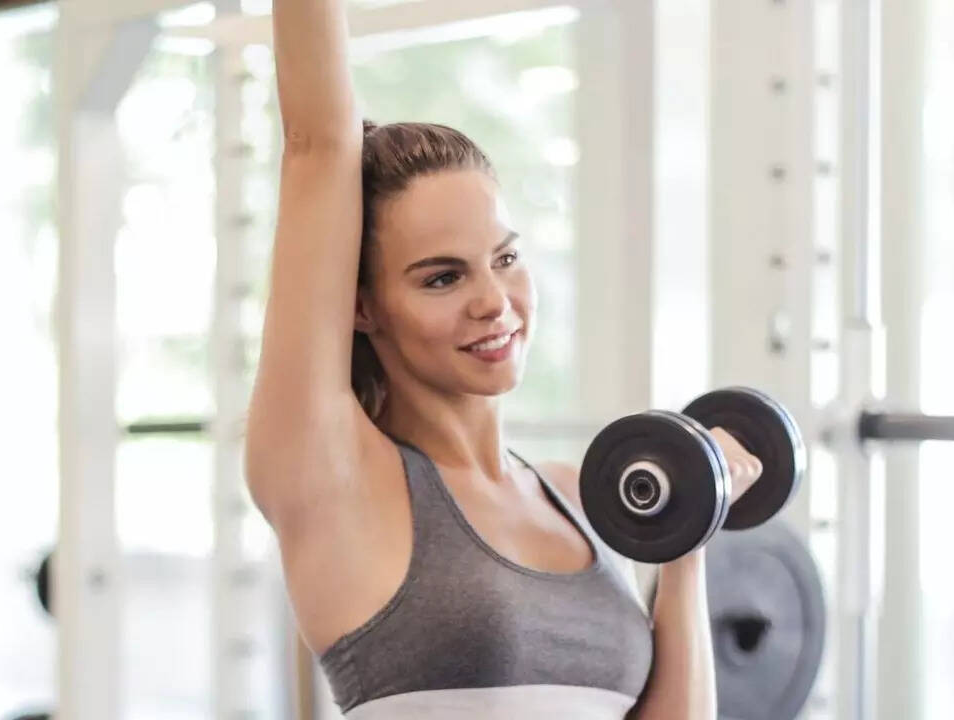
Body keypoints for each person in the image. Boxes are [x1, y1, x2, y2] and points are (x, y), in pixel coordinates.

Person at [243, 0, 763, 717]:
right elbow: (317, 143)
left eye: (505, 258)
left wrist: (688, 536)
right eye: (442, 277)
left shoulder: (583, 497)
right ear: (360, 306)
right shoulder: (335, 477)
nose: (495, 300)